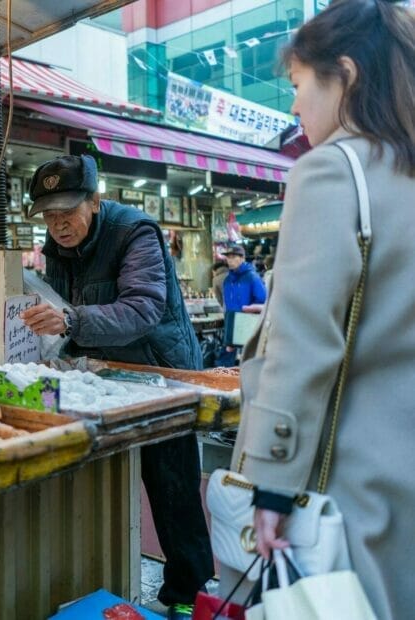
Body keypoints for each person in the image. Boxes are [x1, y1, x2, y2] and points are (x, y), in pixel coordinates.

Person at [234, 1, 415, 617]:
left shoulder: (331, 172)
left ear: (347, 74)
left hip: (350, 489)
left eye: (298, 84)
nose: (293, 105)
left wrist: (272, 490)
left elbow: (301, 343)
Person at [21, 155, 213, 620]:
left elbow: (144, 307)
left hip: (162, 374)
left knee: (171, 483)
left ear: (95, 200)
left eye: (67, 211)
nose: (58, 225)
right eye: (48, 215)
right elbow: (63, 305)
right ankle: (106, 581)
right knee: (106, 477)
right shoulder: (55, 244)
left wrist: (71, 319)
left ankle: (188, 590)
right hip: (105, 376)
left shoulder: (136, 232)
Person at [221, 245, 266, 313]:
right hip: (230, 319)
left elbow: (262, 299)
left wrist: (250, 312)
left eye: (233, 257)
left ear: (242, 258)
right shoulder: (227, 280)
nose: (230, 260)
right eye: (228, 257)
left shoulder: (252, 277)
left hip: (248, 320)